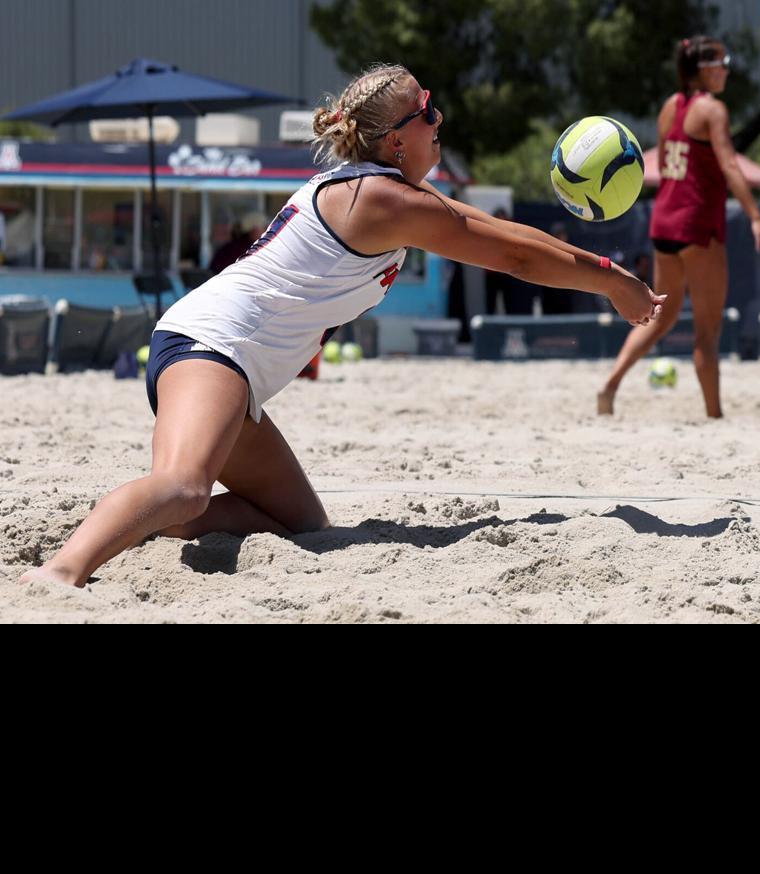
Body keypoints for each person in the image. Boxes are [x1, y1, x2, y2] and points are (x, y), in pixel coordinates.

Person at [20, 63, 663, 589]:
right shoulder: (381, 199)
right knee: (186, 488)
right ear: (394, 140)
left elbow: (506, 234)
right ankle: (60, 574)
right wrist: (612, 278)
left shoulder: (391, 191)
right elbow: (516, 257)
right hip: (210, 344)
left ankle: (129, 524)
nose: (438, 120)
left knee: (297, 521)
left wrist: (604, 270)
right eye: (427, 112)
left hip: (232, 367)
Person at [596, 35, 760, 418]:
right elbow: (729, 165)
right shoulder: (712, 110)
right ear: (702, 69)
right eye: (721, 62)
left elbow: (666, 164)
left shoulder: (669, 107)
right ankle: (714, 414)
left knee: (659, 316)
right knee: (707, 333)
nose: (726, 69)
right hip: (697, 225)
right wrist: (757, 217)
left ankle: (609, 385)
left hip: (665, 222)